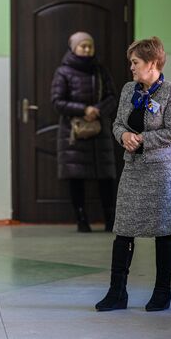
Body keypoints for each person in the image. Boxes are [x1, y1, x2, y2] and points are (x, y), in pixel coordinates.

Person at [95, 36, 171, 312]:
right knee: (123, 230)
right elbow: (118, 123)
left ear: (153, 63)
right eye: (131, 62)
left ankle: (162, 293)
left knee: (164, 231)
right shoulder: (128, 90)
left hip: (162, 171)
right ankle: (117, 292)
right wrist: (123, 135)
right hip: (134, 169)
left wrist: (143, 139)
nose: (131, 67)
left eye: (135, 62)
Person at [51, 32, 118, 233]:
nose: (87, 49)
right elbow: (57, 101)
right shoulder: (63, 72)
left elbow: (112, 97)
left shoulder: (100, 70)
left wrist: (98, 110)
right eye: (83, 46)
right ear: (73, 48)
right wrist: (83, 110)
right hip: (74, 134)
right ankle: (81, 220)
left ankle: (110, 219)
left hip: (100, 133)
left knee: (106, 177)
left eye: (90, 46)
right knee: (76, 178)